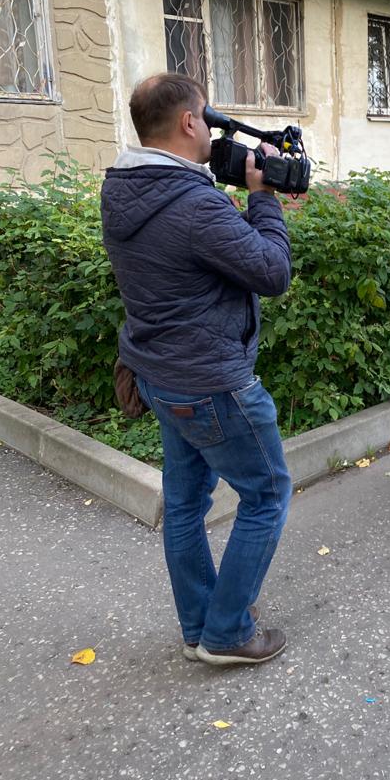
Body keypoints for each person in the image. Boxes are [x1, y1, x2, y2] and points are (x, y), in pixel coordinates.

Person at [101, 72, 293, 666]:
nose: (212, 130)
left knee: (184, 505)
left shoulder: (122, 188)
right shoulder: (193, 203)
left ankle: (197, 625)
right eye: (206, 118)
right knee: (267, 494)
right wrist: (264, 197)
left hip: (159, 374)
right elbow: (272, 272)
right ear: (188, 122)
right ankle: (227, 633)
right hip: (210, 383)